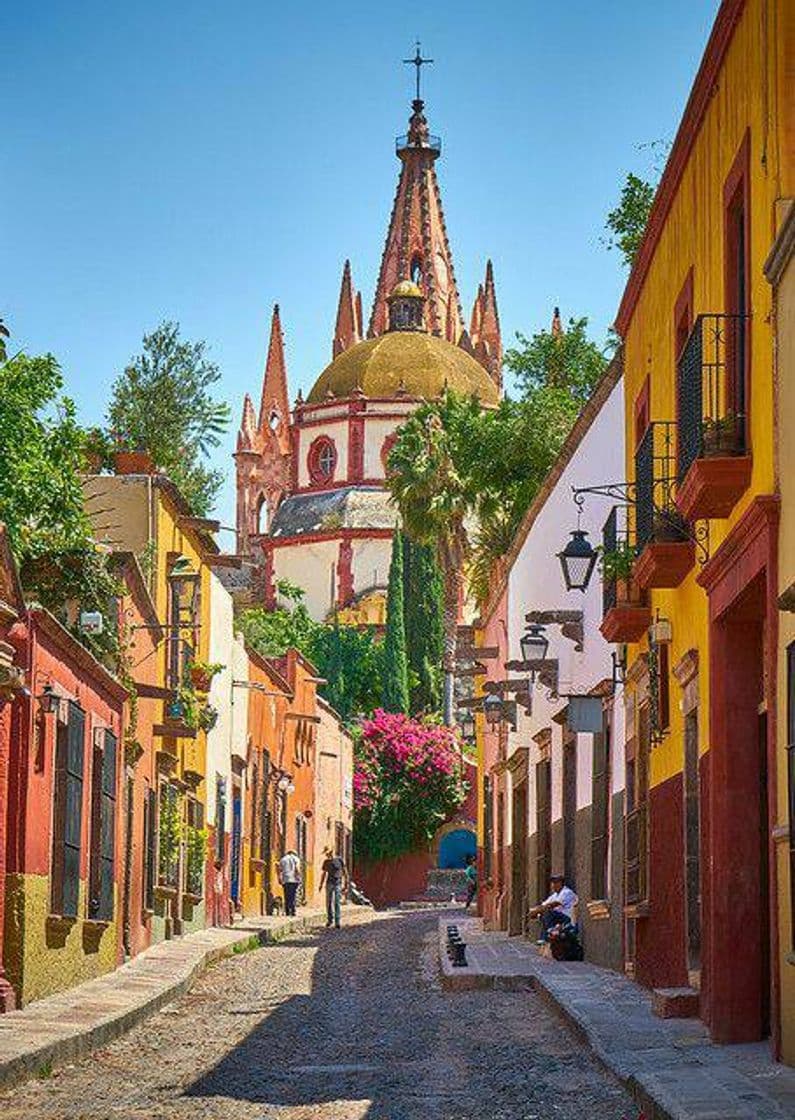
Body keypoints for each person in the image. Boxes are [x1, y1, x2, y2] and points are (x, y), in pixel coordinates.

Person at [529, 873, 578, 942]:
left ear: (561, 883)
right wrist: (535, 911)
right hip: (557, 918)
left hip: (567, 919)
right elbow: (544, 904)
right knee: (542, 913)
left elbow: (553, 904)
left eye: (556, 883)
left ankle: (548, 934)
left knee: (547, 912)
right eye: (552, 883)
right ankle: (547, 935)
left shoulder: (567, 892)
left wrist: (537, 910)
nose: (553, 885)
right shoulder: (554, 895)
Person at [319, 846, 348, 928]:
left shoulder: (339, 860)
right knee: (328, 902)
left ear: (331, 852)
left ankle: (337, 921)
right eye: (326, 854)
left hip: (338, 883)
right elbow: (324, 874)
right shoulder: (326, 862)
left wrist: (346, 883)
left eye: (327, 853)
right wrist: (321, 884)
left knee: (337, 902)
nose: (327, 855)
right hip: (329, 883)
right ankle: (329, 920)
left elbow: (345, 871)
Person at [277, 849, 302, 916]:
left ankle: (287, 911)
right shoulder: (296, 859)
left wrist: (279, 878)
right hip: (294, 880)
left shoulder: (283, 859)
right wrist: (299, 877)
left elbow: (279, 870)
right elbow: (297, 869)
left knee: (287, 895)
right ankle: (293, 910)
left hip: (286, 879)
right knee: (293, 895)